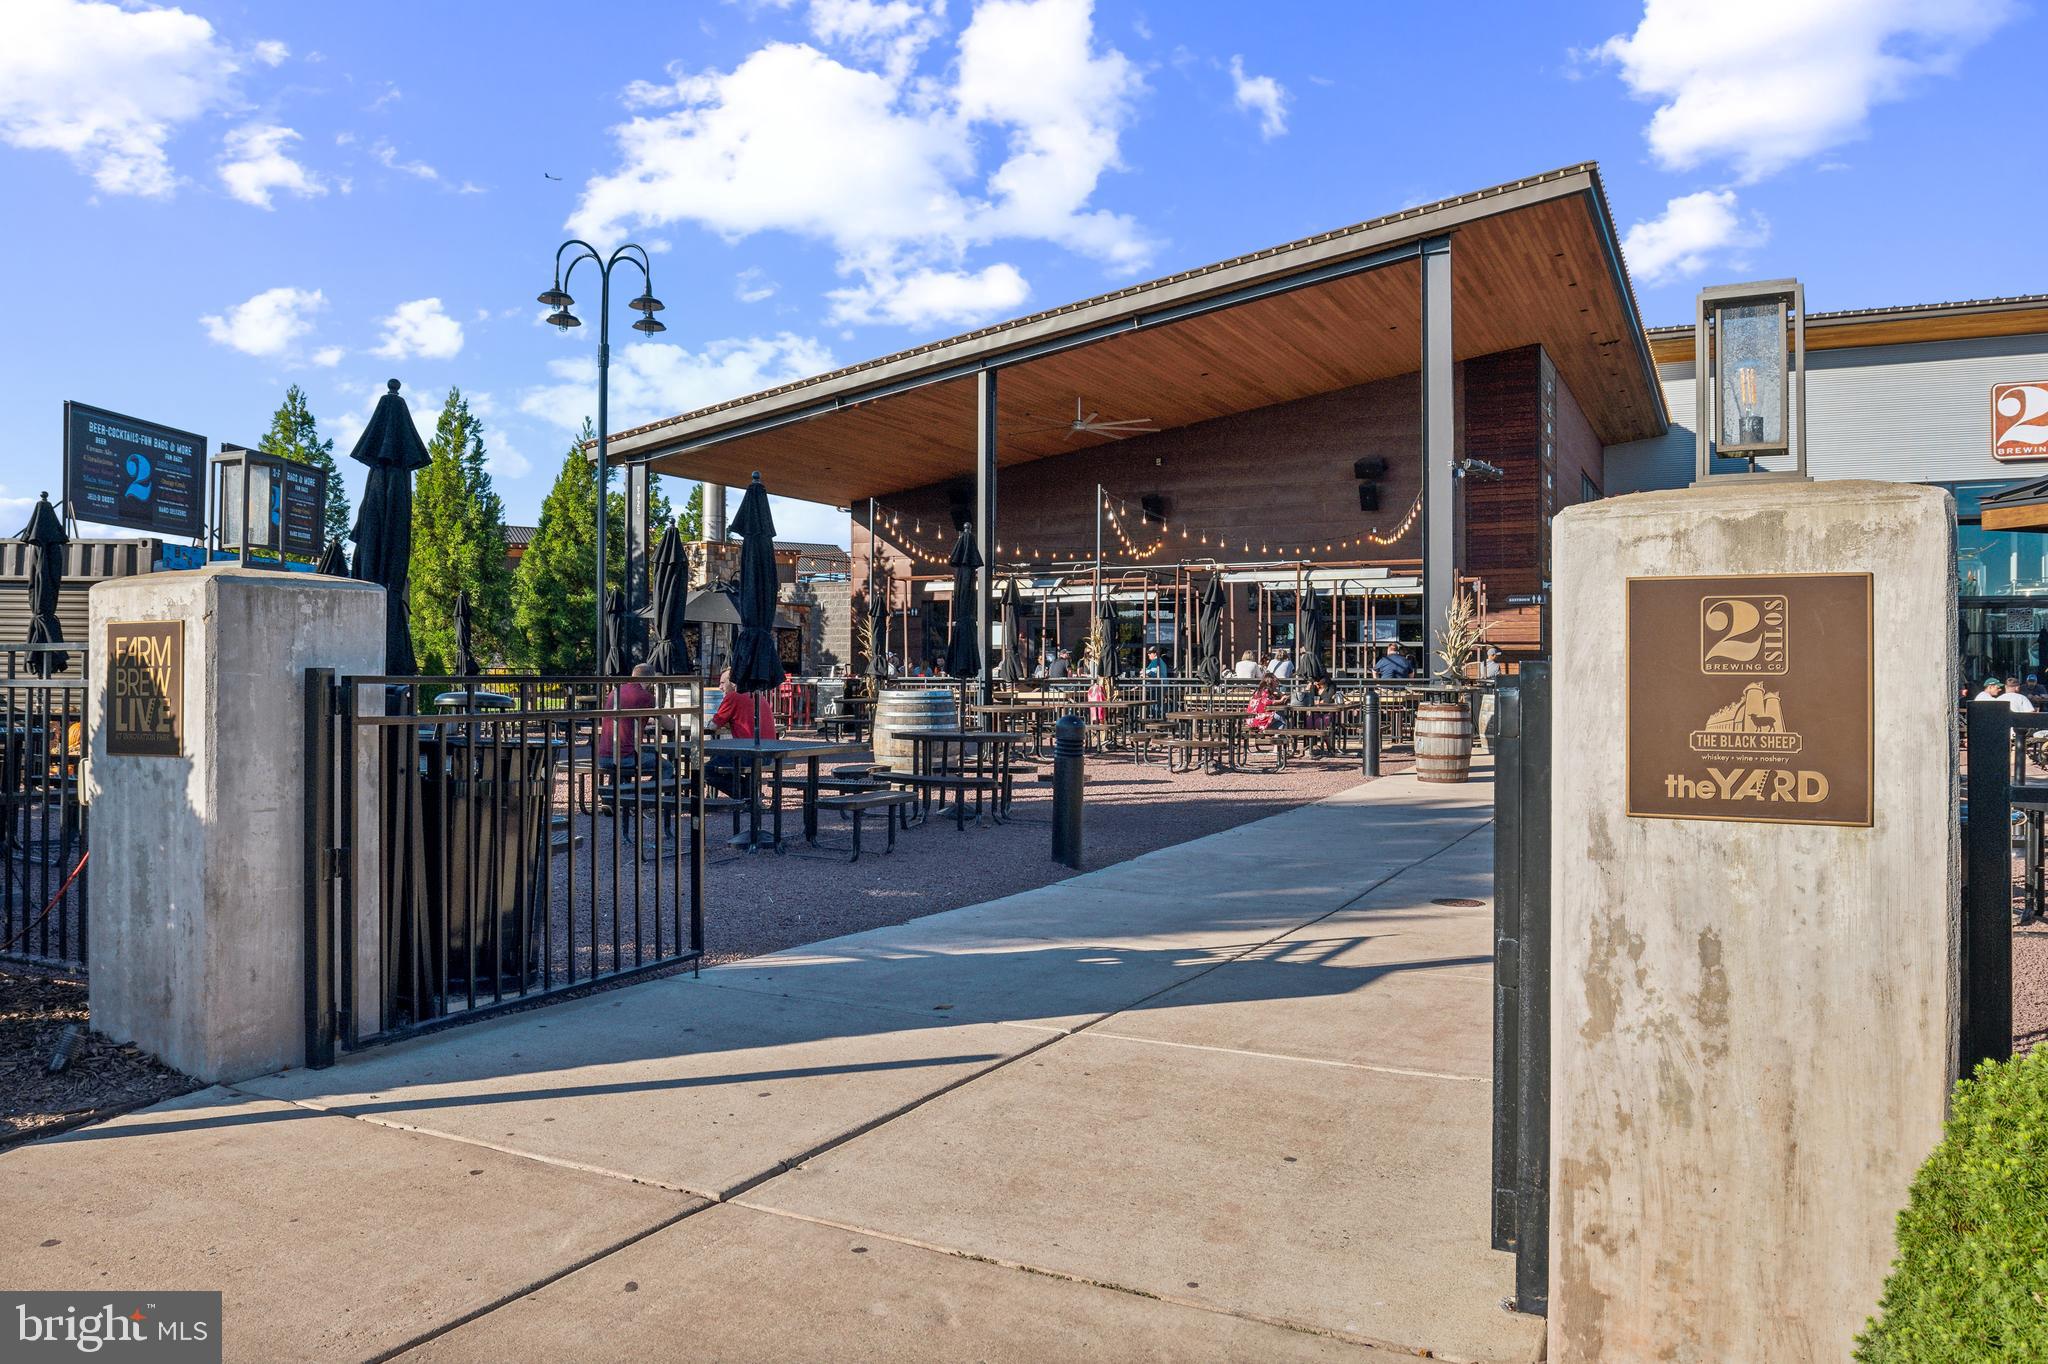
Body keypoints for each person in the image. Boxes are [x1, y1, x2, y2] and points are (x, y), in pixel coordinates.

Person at [705, 666, 779, 797]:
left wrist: (723, 721)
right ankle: (751, 792)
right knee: (718, 759)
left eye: (722, 683)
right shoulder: (757, 695)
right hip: (768, 754)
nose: (720, 687)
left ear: (733, 683)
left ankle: (747, 795)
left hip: (749, 753)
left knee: (706, 770)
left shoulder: (733, 696)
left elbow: (712, 726)